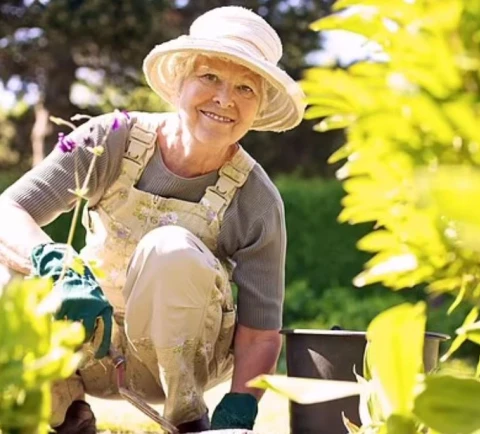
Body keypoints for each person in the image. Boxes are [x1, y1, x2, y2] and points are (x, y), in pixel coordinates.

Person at [0, 6, 306, 433]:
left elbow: (260, 333)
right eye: (210, 78)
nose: (224, 99)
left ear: (259, 107)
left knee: (170, 249)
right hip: (84, 342)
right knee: (8, 271)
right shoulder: (110, 139)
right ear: (181, 80)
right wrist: (53, 261)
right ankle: (64, 414)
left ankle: (188, 421)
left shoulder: (256, 199)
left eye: (245, 89)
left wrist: (240, 407)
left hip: (179, 365)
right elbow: (9, 209)